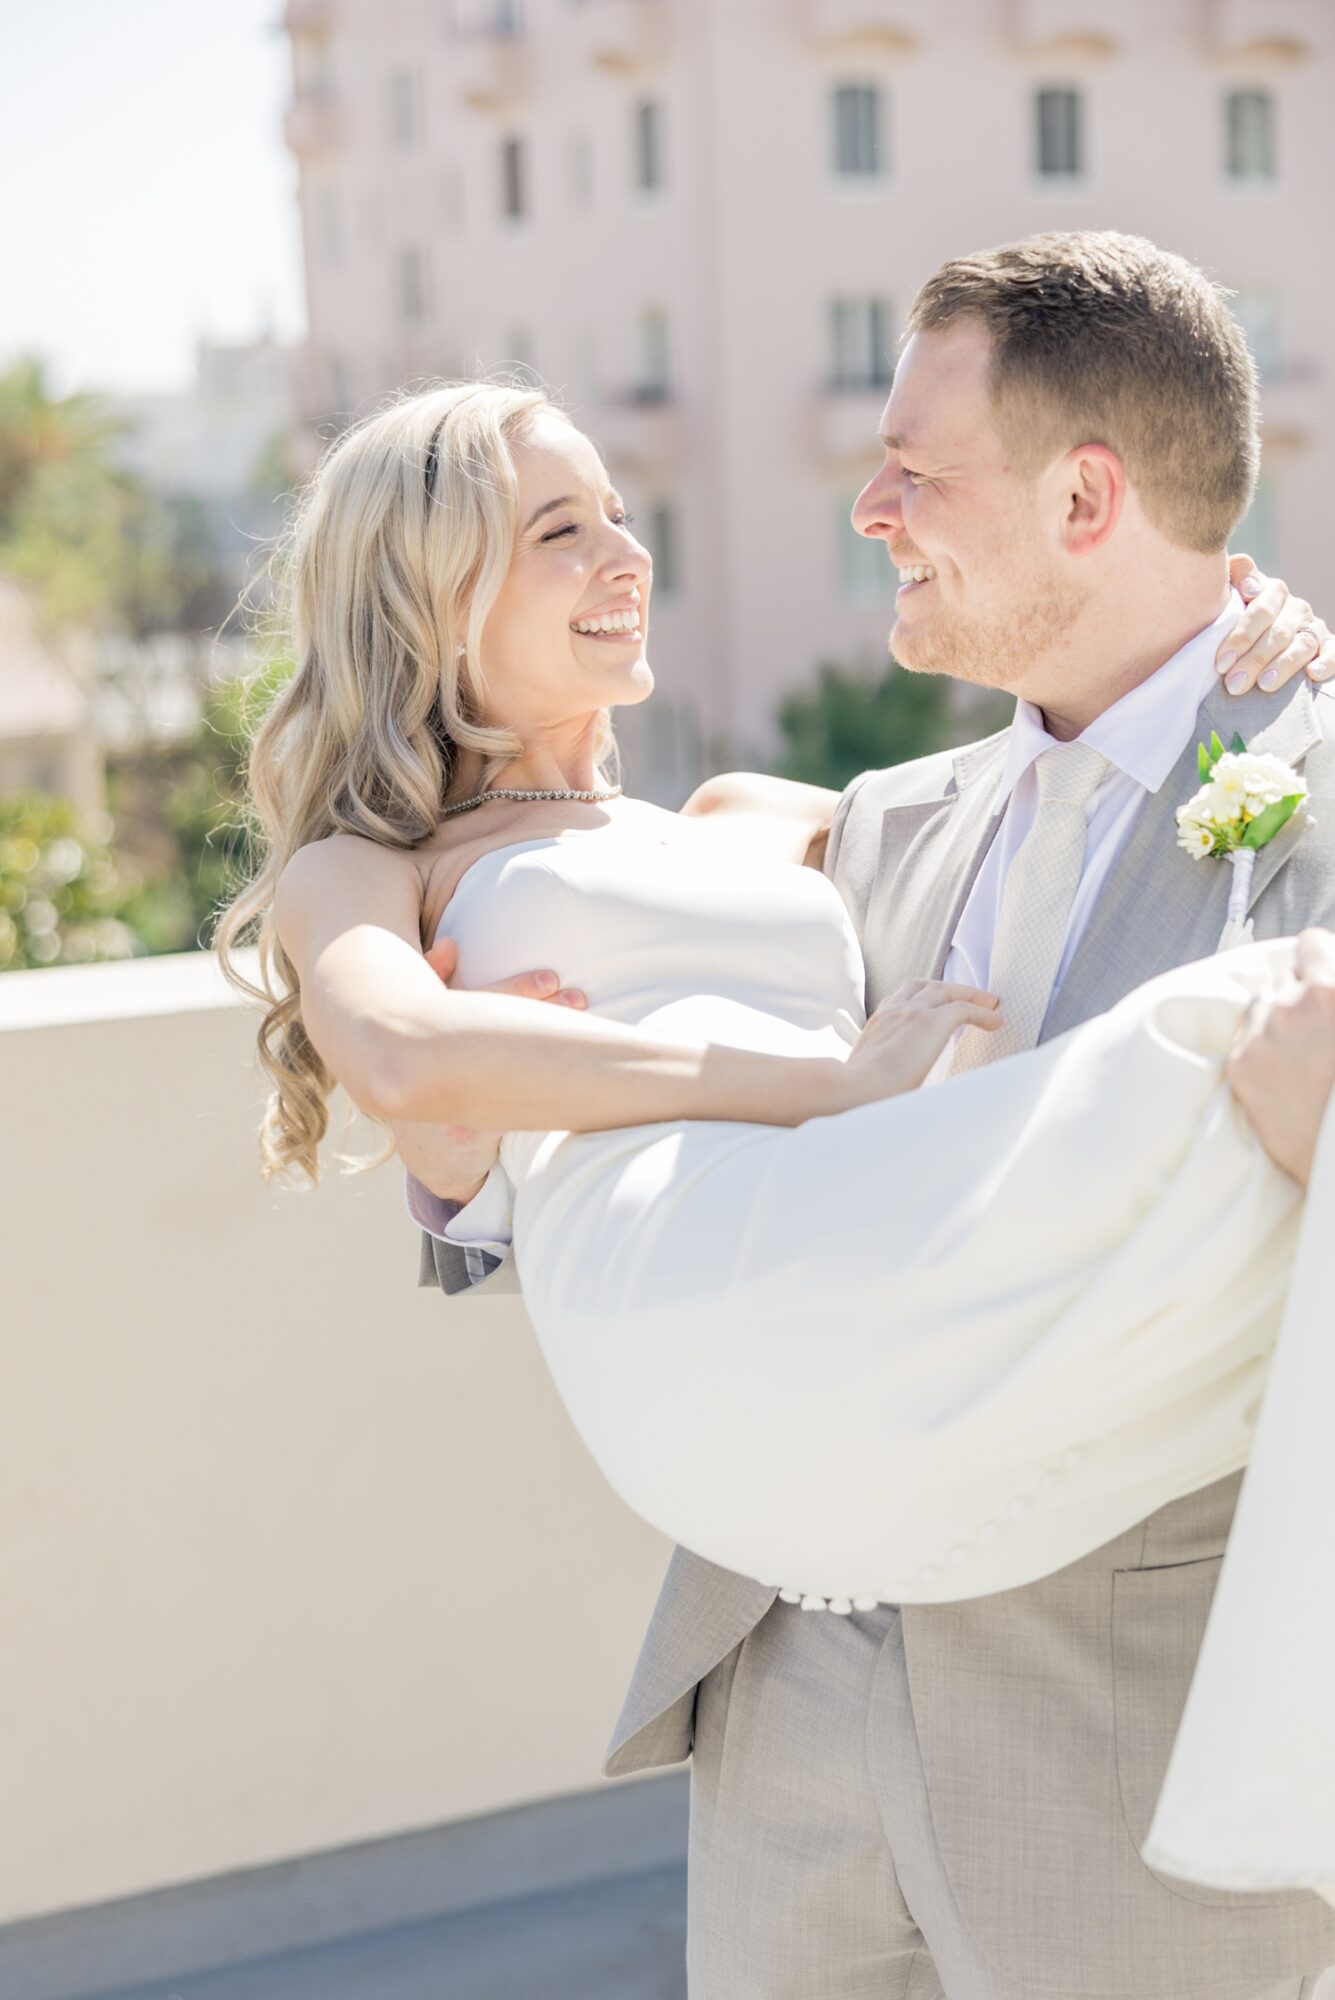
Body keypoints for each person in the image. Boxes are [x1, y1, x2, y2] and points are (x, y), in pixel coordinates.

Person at [213, 231, 1335, 2000]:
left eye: (917, 467)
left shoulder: (1243, 782)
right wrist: (471, 1184)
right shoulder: (810, 830)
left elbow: (1093, 793)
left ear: (1087, 495)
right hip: (780, 1672)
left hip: (1104, 1699)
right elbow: (518, 1097)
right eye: (555, 527)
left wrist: (1248, 620)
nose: (869, 504)